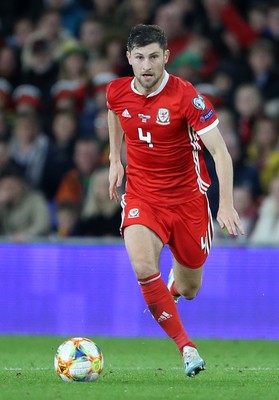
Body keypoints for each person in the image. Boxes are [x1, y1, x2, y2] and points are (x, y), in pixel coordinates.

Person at [107, 24, 244, 378]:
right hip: (142, 196)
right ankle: (187, 347)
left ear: (166, 56)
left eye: (153, 56)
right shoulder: (117, 91)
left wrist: (225, 204)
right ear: (129, 59)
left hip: (188, 202)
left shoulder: (187, 97)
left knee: (190, 289)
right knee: (141, 266)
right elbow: (115, 112)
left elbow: (220, 152)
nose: (147, 65)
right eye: (139, 58)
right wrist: (114, 159)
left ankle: (173, 288)